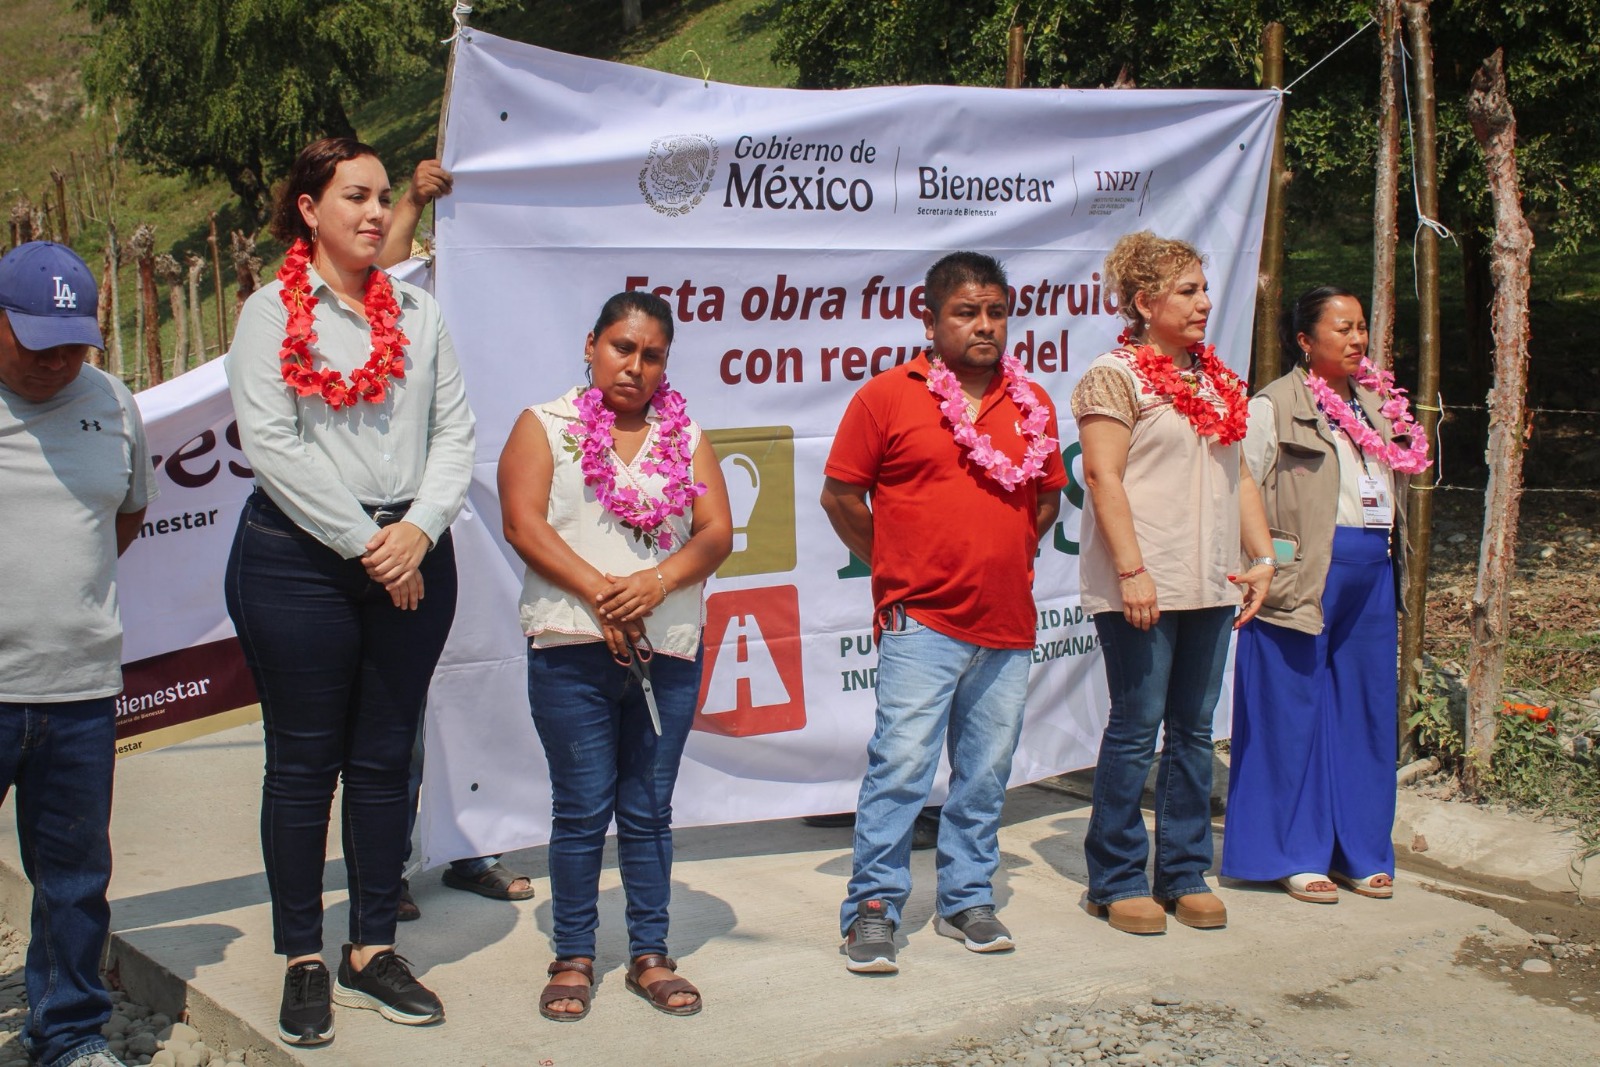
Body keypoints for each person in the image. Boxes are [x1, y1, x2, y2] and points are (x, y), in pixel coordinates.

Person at [223, 136, 475, 1045]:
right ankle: (302, 954)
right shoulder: (267, 315)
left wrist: (419, 528)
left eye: (381, 197)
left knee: (382, 755)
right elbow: (274, 446)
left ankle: (371, 947)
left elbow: (456, 432)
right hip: (301, 561)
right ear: (310, 209)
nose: (375, 213)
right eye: (355, 197)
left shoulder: (418, 312)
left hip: (414, 552)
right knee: (302, 764)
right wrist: (371, 544)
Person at [821, 252, 1067, 975]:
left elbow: (1046, 499)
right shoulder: (887, 396)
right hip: (921, 621)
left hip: (1008, 623)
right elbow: (841, 496)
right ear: (929, 320)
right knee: (901, 768)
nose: (984, 325)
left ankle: (966, 898)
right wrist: (898, 565)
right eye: (966, 312)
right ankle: (873, 908)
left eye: (995, 312)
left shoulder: (1033, 401)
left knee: (985, 774)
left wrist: (1005, 552)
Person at [498, 291, 732, 1021]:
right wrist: (603, 593)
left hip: (668, 652)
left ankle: (650, 954)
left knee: (650, 809)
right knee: (580, 809)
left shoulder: (685, 434)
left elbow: (716, 533)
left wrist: (654, 583)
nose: (635, 366)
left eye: (652, 355)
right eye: (622, 347)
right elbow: (522, 524)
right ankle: (573, 954)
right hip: (572, 649)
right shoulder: (546, 425)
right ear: (591, 345)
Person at [1073, 230, 1276, 936]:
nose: (1204, 303)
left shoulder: (1218, 379)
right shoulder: (1113, 375)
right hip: (1143, 585)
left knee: (1193, 731)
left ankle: (1185, 871)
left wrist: (1262, 557)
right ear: (1143, 302)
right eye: (1187, 291)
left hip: (1212, 584)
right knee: (1137, 730)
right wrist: (1132, 571)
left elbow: (1239, 474)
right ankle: (1116, 878)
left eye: (1204, 288)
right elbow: (1102, 476)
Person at [0, 241, 157, 1067]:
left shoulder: (112, 402)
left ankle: (67, 1032)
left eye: (72, 345)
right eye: (37, 343)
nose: (56, 361)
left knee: (73, 878)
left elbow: (124, 514)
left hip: (79, 691)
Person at [1221, 287, 1427, 903]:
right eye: (1342, 329)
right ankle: (1293, 852)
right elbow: (1239, 485)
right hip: (1302, 574)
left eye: (1361, 327)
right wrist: (1261, 562)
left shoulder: (1378, 403)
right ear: (1305, 341)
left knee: (1365, 711)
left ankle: (1359, 850)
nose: (1357, 338)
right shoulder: (1273, 406)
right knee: (1289, 714)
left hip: (1371, 571)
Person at [374, 158, 535, 919]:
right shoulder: (398, 295)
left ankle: (475, 846)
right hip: (413, 522)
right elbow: (377, 272)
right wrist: (413, 199)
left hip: (492, 517)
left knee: (481, 687)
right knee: (400, 709)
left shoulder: (509, 283)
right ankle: (386, 868)